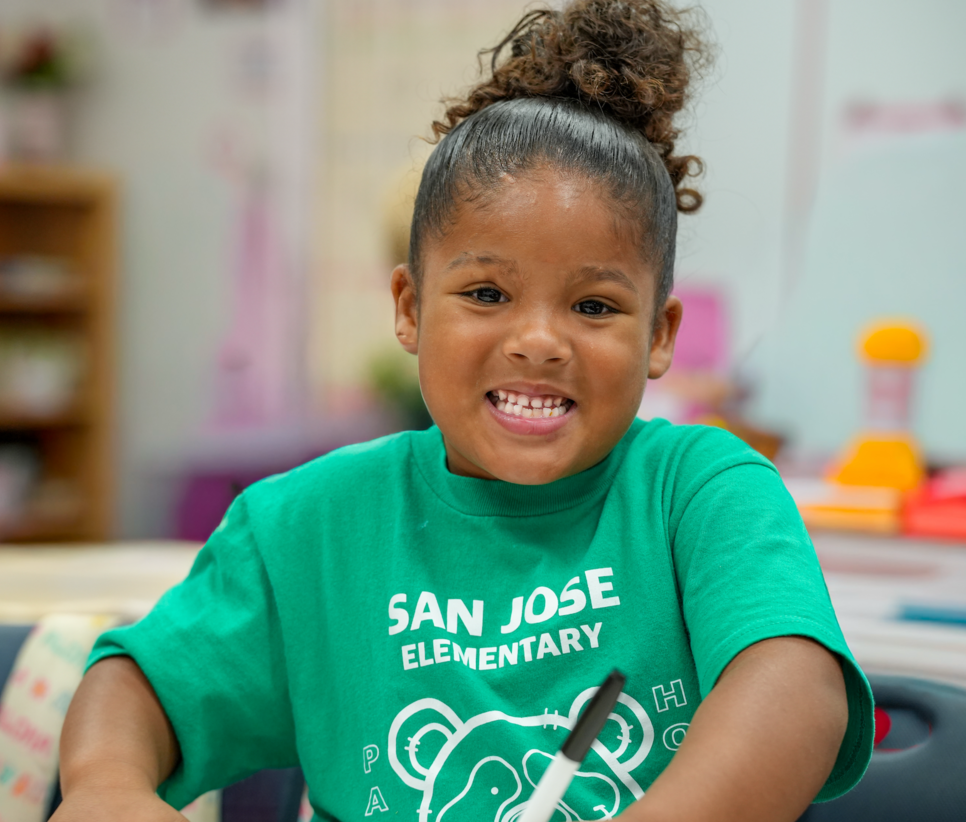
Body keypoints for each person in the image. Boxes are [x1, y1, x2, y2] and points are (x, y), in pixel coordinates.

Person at [52, 2, 874, 820]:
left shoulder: (702, 491)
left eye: (594, 307)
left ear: (659, 335)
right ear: (409, 308)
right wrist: (104, 786)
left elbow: (797, 694)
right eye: (486, 294)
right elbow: (138, 686)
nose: (540, 341)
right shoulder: (306, 528)